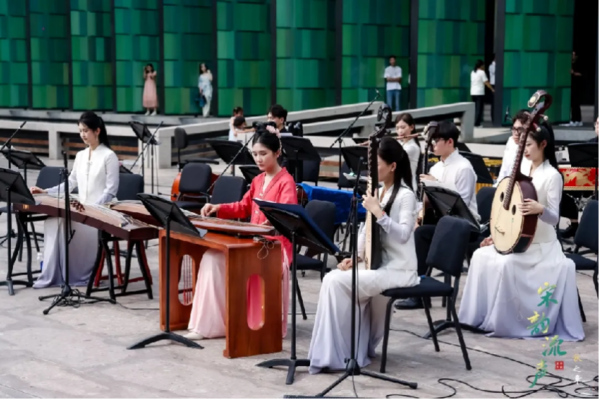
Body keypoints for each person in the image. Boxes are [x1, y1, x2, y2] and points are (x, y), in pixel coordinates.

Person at [458, 124, 585, 341]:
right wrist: (497, 237)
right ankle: (475, 318)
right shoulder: (523, 168)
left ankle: (506, 323)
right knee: (479, 255)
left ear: (543, 144)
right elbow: (511, 211)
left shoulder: (552, 175)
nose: (524, 149)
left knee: (506, 264)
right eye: (523, 145)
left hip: (541, 246)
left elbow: (555, 218)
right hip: (516, 238)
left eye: (529, 145)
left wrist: (540, 209)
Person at [308, 138, 419, 373]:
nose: (371, 170)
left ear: (392, 166)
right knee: (332, 277)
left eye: (376, 165)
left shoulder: (405, 195)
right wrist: (356, 256)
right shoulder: (380, 191)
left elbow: (403, 235)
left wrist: (379, 212)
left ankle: (343, 354)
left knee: (336, 282)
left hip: (400, 269)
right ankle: (343, 352)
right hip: (376, 264)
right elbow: (365, 229)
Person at [185, 131, 297, 341]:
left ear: (277, 153)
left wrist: (272, 223)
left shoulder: (286, 182)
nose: (258, 159)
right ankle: (211, 324)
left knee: (214, 258)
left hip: (273, 249)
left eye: (263, 153)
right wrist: (218, 207)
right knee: (211, 257)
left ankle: (232, 324)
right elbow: (244, 206)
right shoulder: (258, 180)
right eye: (255, 154)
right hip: (253, 243)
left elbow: (287, 218)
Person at [30, 112, 120, 288]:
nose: (82, 135)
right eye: (80, 131)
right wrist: (45, 191)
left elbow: (111, 190)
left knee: (69, 224)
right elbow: (70, 183)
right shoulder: (80, 155)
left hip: (102, 211)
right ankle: (57, 273)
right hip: (82, 208)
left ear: (97, 131)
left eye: (86, 130)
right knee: (54, 221)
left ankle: (78, 274)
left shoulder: (109, 156)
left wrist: (92, 209)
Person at [396, 120, 479, 310]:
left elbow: (462, 204)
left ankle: (419, 293)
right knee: (415, 230)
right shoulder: (436, 167)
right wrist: (417, 215)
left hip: (465, 225)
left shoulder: (464, 167)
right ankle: (415, 286)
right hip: (442, 221)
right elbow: (428, 203)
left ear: (450, 142)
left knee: (421, 234)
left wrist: (436, 184)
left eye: (436, 140)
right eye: (432, 141)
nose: (433, 144)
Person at [395, 113, 421, 191]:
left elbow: (394, 156)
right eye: (397, 128)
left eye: (403, 127)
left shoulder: (412, 147)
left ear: (411, 127)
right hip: (398, 184)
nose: (400, 131)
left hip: (407, 187)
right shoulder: (400, 143)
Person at [471, 60, 494, 127]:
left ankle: (475, 122)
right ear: (481, 66)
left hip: (473, 92)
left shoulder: (473, 72)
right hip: (479, 93)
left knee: (475, 108)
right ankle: (477, 123)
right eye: (483, 65)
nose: (484, 66)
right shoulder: (482, 72)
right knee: (479, 109)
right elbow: (486, 82)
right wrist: (492, 89)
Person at [565, 52, 583, 127]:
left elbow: (581, 74)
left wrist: (573, 73)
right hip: (570, 86)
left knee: (576, 104)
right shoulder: (569, 63)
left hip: (577, 86)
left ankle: (578, 120)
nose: (572, 56)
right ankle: (573, 119)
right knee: (572, 104)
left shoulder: (579, 63)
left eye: (573, 55)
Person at [488, 55, 496, 122]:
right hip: (493, 84)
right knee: (493, 102)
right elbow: (493, 72)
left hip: (497, 84)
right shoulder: (491, 66)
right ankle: (493, 117)